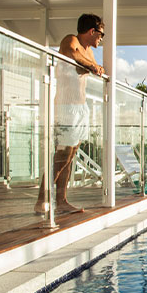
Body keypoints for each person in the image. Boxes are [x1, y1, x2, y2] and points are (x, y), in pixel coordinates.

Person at [35, 13, 106, 214]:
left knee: (70, 156)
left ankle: (61, 201)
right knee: (61, 156)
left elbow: (85, 63)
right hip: (66, 108)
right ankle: (41, 200)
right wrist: (91, 66)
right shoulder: (71, 40)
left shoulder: (89, 51)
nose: (101, 39)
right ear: (92, 31)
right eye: (101, 35)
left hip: (80, 110)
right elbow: (69, 53)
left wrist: (92, 65)